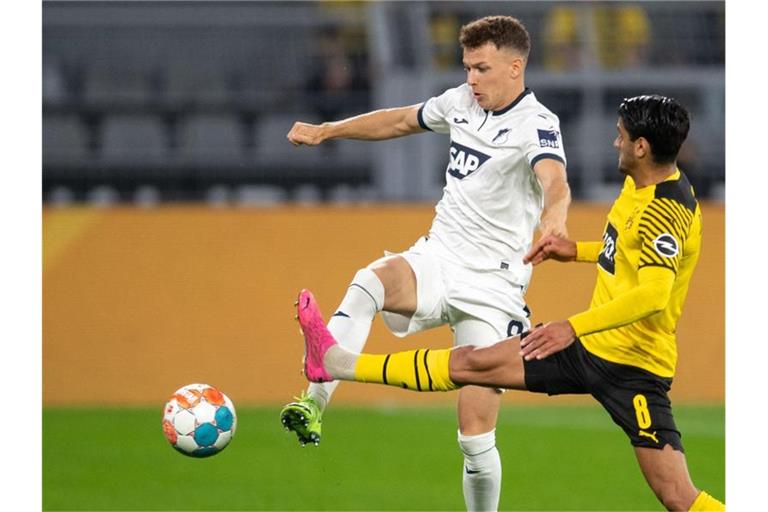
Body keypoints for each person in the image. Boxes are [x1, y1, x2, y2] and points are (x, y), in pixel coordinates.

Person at [295, 95, 725, 511]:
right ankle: (336, 363)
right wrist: (575, 251)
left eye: (620, 135)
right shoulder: (643, 185)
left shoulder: (665, 210)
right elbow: (630, 250)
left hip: (633, 368)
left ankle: (335, 363)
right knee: (472, 363)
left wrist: (571, 326)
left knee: (677, 497)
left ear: (641, 147)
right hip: (588, 350)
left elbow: (654, 294)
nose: (615, 142)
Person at [282, 15, 571, 512]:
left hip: (494, 287)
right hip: (439, 257)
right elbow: (398, 120)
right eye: (467, 68)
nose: (471, 79)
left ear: (515, 67)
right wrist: (329, 131)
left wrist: (557, 221)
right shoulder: (460, 101)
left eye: (481, 68)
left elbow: (555, 181)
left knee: (475, 439)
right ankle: (315, 399)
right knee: (370, 280)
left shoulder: (538, 124)